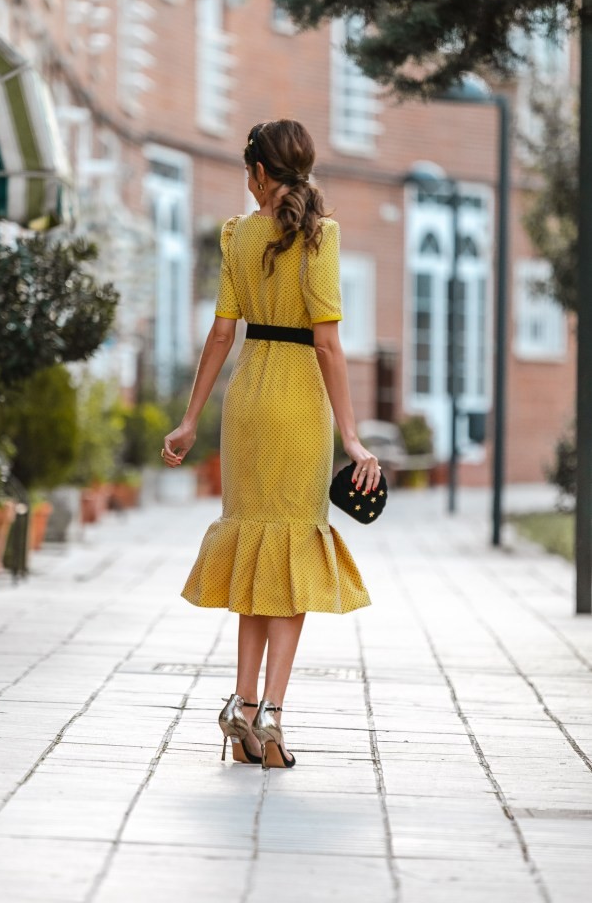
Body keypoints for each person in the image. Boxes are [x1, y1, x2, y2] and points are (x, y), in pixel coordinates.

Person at [161, 119, 379, 769]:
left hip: (248, 401)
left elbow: (222, 335)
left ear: (257, 171)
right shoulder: (319, 234)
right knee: (288, 558)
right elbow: (328, 344)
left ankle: (242, 706)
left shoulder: (237, 233)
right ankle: (272, 718)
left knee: (256, 549)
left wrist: (189, 418)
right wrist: (351, 436)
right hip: (296, 407)